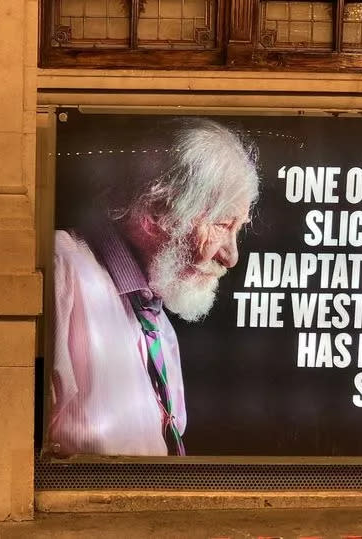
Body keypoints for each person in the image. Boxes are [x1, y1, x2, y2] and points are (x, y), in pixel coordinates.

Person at [48, 117, 259, 457]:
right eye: (222, 225)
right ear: (156, 210)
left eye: (239, 229)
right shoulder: (63, 269)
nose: (232, 256)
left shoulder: (154, 315)